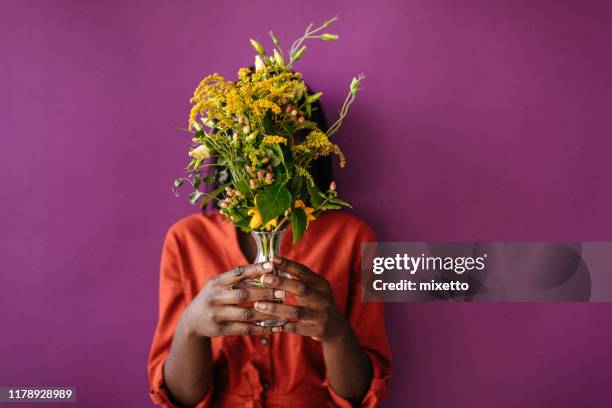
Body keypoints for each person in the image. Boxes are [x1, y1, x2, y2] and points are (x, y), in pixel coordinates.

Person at [148, 99, 392, 407]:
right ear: (228, 147)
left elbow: (361, 394)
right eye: (253, 135)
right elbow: (179, 398)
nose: (270, 155)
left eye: (286, 137)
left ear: (310, 148)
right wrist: (190, 328)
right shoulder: (186, 239)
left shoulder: (355, 237)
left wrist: (335, 332)